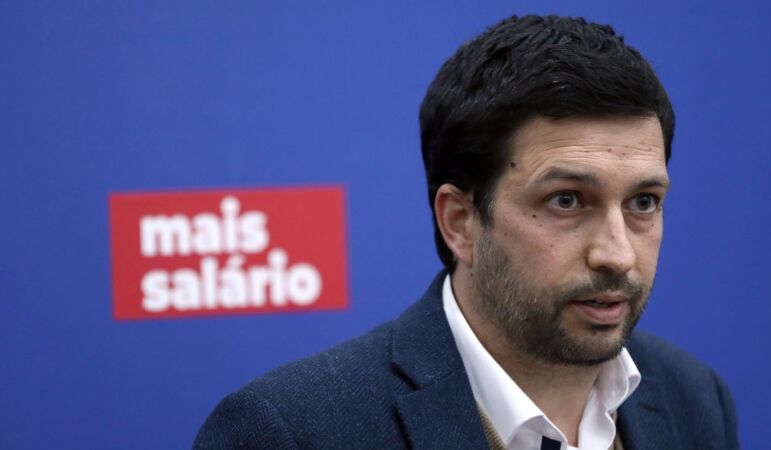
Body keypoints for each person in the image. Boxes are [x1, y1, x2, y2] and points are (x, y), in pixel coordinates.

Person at [194, 15, 738, 450]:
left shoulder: (695, 400)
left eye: (643, 202)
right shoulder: (292, 431)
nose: (617, 254)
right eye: (567, 201)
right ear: (460, 222)